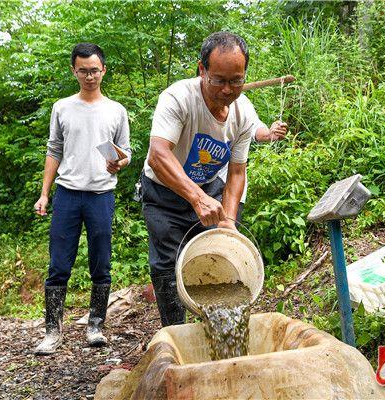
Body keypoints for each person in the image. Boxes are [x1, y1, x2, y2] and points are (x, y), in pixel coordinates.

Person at [141, 31, 287, 327]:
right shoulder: (178, 98)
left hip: (210, 187)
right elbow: (158, 154)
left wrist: (229, 223)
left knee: (219, 254)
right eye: (218, 80)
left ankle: (217, 331)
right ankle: (176, 332)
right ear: (202, 70)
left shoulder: (243, 113)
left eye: (236, 80)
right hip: (164, 191)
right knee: (167, 266)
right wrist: (195, 197)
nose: (227, 89)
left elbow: (236, 171)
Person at [33, 43, 131, 355]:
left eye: (94, 70)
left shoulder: (116, 110)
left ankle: (96, 325)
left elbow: (125, 153)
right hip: (68, 195)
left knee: (101, 262)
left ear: (104, 70)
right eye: (83, 70)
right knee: (59, 264)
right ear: (74, 71)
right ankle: (52, 331)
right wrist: (44, 194)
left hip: (101, 194)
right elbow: (54, 150)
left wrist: (119, 162)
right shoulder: (62, 107)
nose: (89, 76)